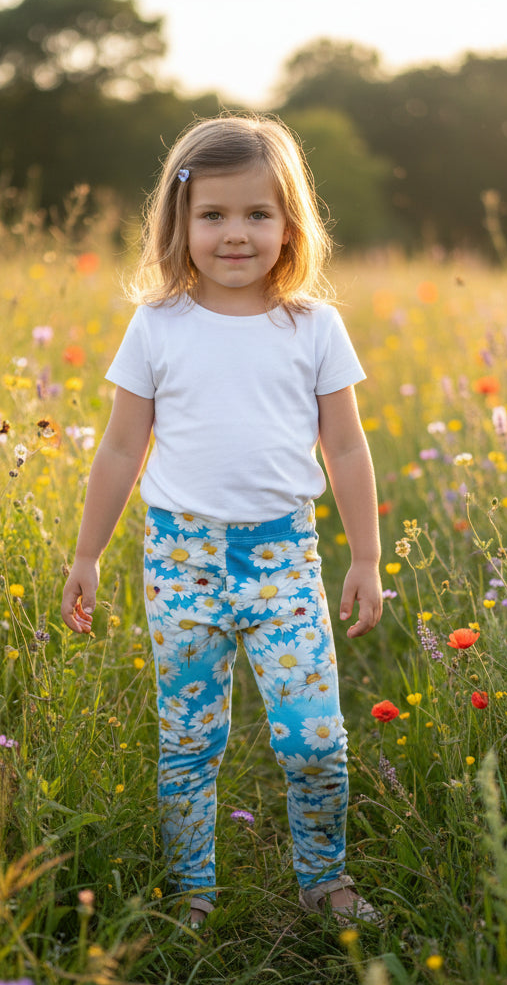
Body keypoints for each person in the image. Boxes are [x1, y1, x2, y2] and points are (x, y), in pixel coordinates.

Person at [61, 114, 383, 928]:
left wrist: (367, 559)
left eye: (257, 215)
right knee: (189, 740)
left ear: (288, 226)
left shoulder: (312, 326)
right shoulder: (158, 326)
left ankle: (325, 881)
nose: (235, 234)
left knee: (313, 740)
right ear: (181, 222)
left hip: (283, 560)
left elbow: (345, 448)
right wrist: (87, 554)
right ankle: (191, 893)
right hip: (180, 559)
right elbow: (120, 448)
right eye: (213, 215)